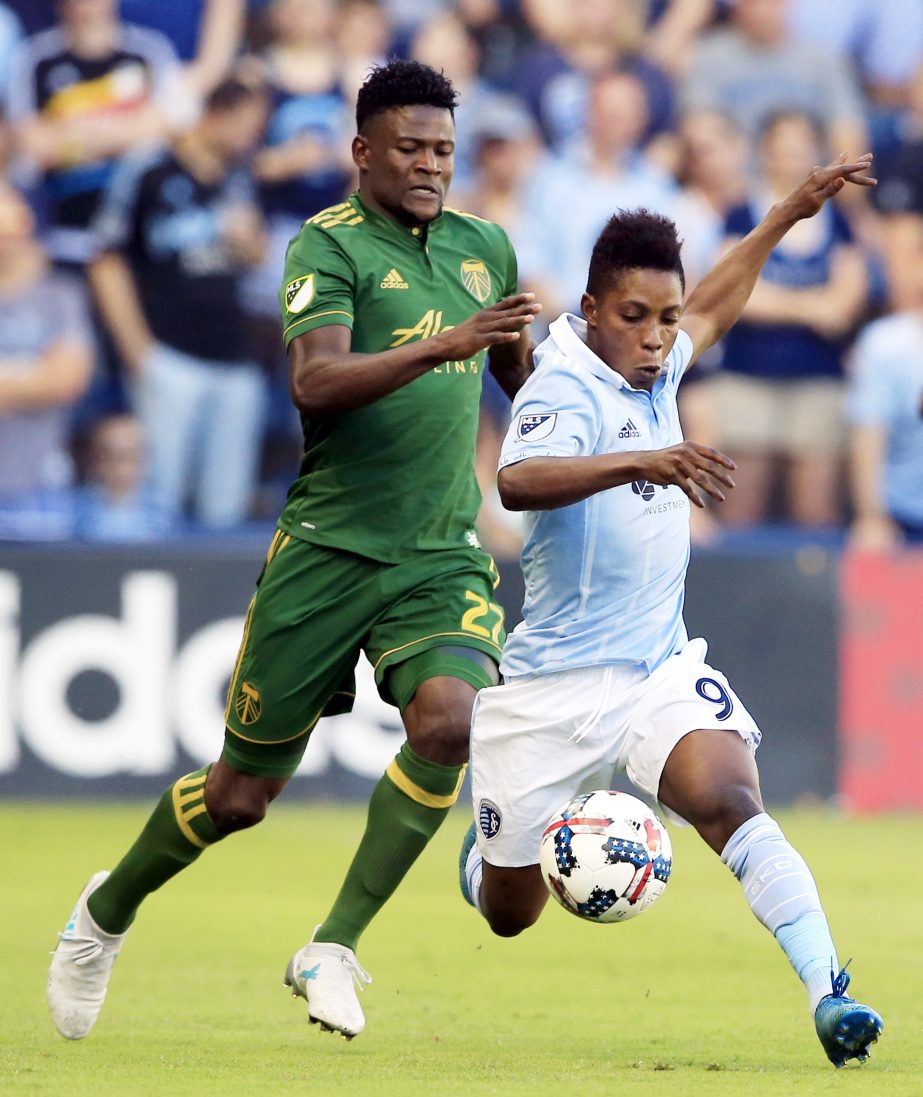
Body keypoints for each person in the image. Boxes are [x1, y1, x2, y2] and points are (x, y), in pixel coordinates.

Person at [46, 59, 539, 1042]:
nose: (430, 166)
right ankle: (106, 912)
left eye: (442, 149)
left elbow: (519, 381)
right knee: (239, 796)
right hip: (328, 550)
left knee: (449, 720)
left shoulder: (486, 246)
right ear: (362, 151)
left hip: (438, 553)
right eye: (409, 148)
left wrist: (563, 399)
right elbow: (315, 383)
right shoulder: (326, 247)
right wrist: (447, 345)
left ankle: (334, 942)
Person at [459, 152, 885, 1068]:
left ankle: (827, 993)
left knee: (728, 800)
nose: (657, 338)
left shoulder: (657, 358)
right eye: (635, 318)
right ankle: (484, 854)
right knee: (507, 914)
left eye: (662, 317)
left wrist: (781, 216)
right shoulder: (563, 384)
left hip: (656, 668)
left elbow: (714, 305)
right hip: (548, 690)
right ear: (590, 312)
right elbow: (519, 480)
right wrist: (640, 462)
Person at [88, 76, 269, 529]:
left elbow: (256, 257)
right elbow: (106, 258)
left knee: (225, 511)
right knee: (157, 504)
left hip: (234, 358)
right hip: (168, 356)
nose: (253, 137)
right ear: (218, 114)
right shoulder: (150, 168)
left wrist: (249, 245)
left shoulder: (237, 177)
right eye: (248, 125)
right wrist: (138, 351)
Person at [711, 110, 869, 529]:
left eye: (800, 149)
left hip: (818, 380)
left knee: (816, 513)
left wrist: (774, 301)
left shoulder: (841, 221)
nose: (791, 158)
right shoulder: (740, 214)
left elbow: (845, 304)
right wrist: (809, 307)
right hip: (748, 377)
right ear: (764, 153)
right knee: (740, 511)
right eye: (782, 149)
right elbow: (730, 295)